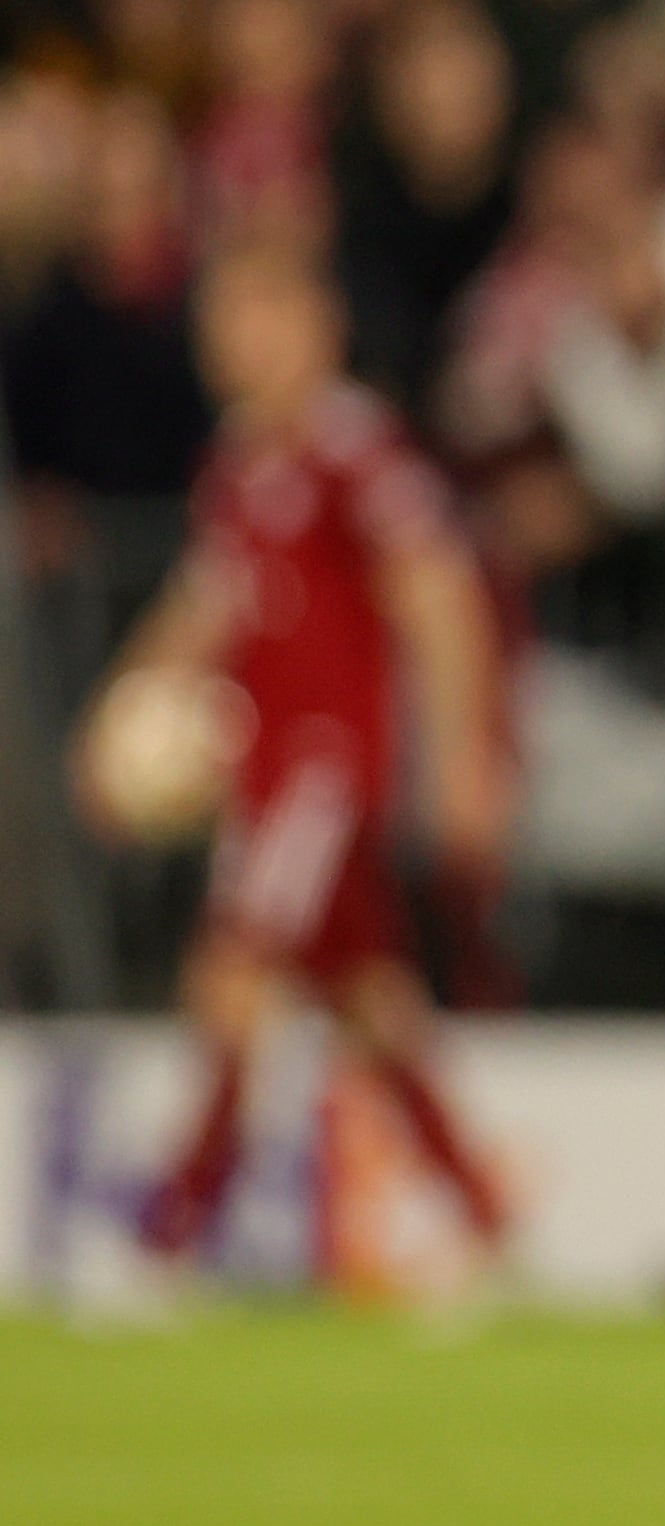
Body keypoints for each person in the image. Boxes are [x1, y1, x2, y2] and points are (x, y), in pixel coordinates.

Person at [84, 241, 512, 1302]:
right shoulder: (239, 462)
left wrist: (464, 752)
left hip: (324, 772)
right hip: (261, 772)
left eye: (254, 317)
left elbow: (439, 593)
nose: (232, 344)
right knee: (370, 1003)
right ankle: (483, 1219)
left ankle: (167, 1241)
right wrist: (114, 715)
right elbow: (208, 607)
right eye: (220, 324)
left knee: (228, 981)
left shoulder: (351, 448)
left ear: (314, 326)